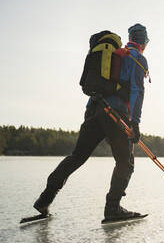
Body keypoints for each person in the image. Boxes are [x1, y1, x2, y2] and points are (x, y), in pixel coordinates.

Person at [33, 23, 149, 221]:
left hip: (94, 109)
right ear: (144, 41)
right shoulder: (137, 58)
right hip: (116, 113)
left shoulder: (116, 54)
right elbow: (137, 92)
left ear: (129, 38)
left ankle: (45, 199)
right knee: (125, 162)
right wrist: (135, 123)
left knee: (77, 156)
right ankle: (113, 208)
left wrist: (92, 112)